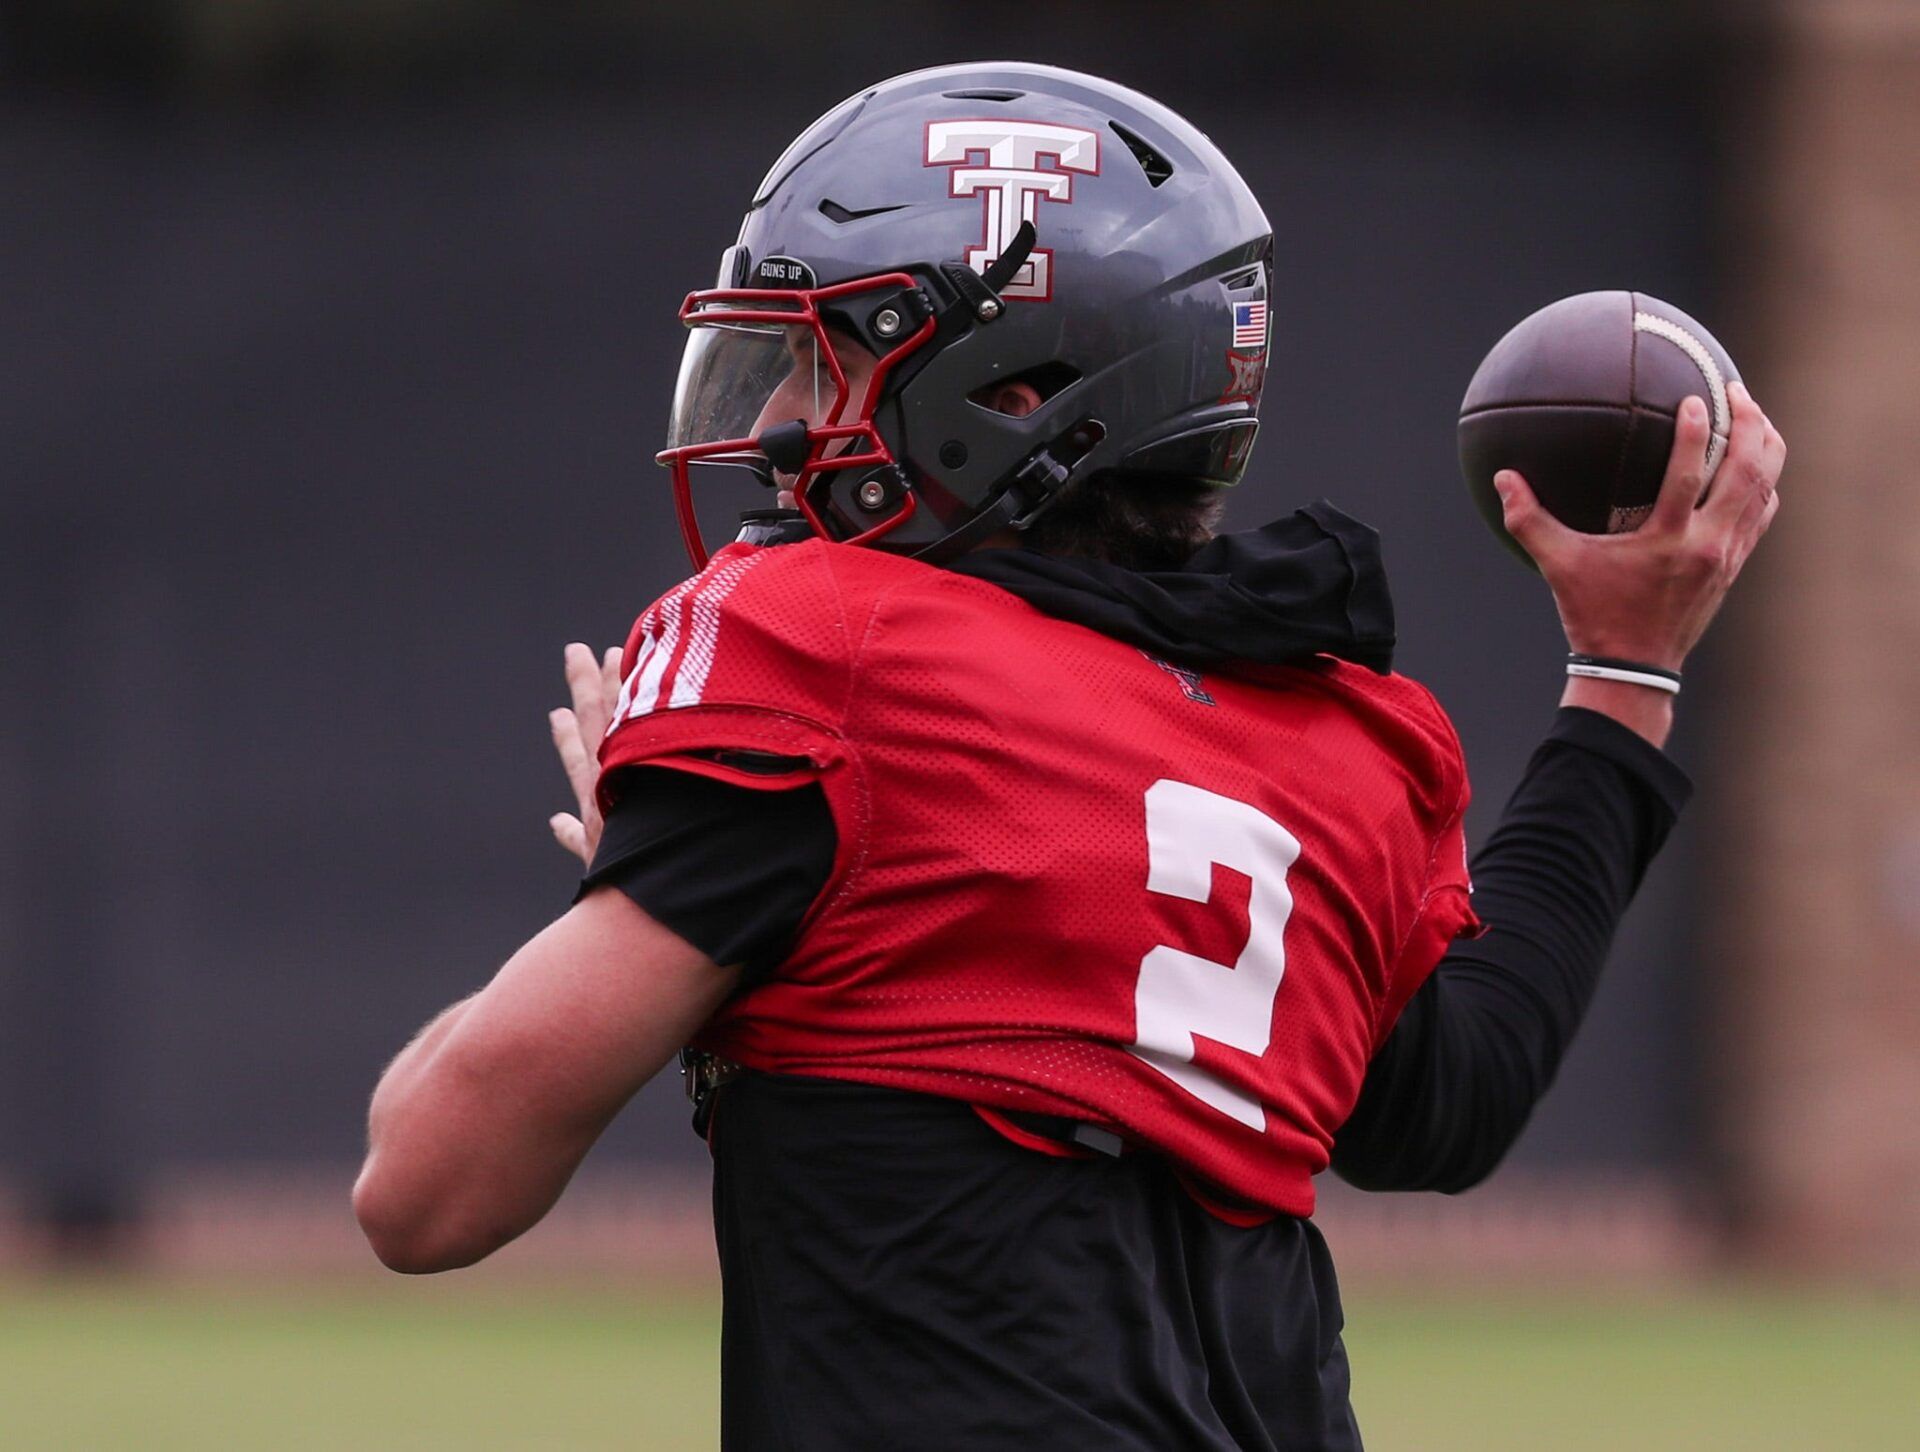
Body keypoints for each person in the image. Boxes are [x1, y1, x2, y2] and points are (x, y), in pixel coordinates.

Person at [353, 63, 1784, 1450]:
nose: (787, 421)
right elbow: (1446, 1109)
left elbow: (425, 1192)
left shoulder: (820, 641)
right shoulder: (1341, 734)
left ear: (1014, 395)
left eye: (828, 356)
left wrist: (658, 899)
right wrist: (1625, 677)